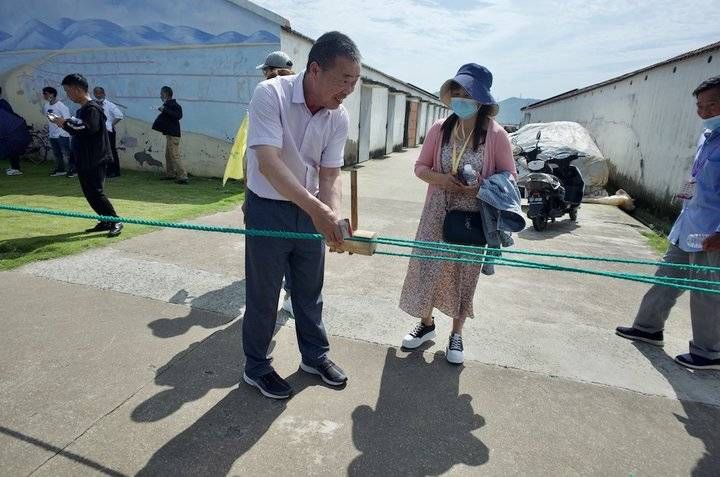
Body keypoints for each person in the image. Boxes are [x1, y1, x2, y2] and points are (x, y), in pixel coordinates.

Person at [242, 31, 361, 400]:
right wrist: (319, 211)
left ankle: (315, 356)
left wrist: (333, 220)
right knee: (264, 294)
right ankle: (257, 366)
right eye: (343, 80)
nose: (348, 91)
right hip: (268, 209)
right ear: (314, 70)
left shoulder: (337, 117)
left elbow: (329, 174)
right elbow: (269, 163)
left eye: (355, 83)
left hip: (309, 210)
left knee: (309, 291)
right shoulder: (270, 94)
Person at [398, 64, 516, 364]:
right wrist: (442, 179)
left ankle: (457, 334)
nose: (461, 99)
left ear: (482, 101)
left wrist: (483, 185)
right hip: (438, 210)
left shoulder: (496, 135)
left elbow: (510, 177)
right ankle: (425, 325)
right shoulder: (440, 129)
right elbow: (420, 168)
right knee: (427, 267)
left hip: (474, 216)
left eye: (469, 94)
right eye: (457, 92)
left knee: (463, 274)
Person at [616, 76, 720, 370]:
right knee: (665, 278)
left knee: (707, 292)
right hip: (689, 223)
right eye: (700, 106)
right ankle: (648, 328)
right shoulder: (707, 136)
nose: (704, 111)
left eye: (712, 105)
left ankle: (709, 352)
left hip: (712, 231)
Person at [51, 73, 123, 237]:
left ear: (77, 89)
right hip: (85, 158)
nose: (68, 95)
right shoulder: (83, 109)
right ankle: (105, 221)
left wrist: (64, 123)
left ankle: (116, 220)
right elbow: (80, 127)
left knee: (96, 192)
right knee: (90, 193)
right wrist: (65, 122)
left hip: (95, 158)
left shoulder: (92, 108)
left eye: (68, 91)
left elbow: (87, 129)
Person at [152, 86, 187, 184]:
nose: (160, 96)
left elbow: (178, 116)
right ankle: (170, 173)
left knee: (174, 155)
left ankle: (183, 176)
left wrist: (164, 110)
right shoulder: (168, 105)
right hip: (170, 134)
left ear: (165, 94)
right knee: (168, 155)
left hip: (173, 135)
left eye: (161, 94)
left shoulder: (174, 105)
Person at [42, 86, 76, 177]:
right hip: (52, 133)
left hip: (62, 133)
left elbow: (66, 120)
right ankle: (61, 169)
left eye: (46, 94)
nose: (44, 96)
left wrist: (58, 121)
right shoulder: (46, 105)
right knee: (57, 153)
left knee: (67, 152)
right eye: (44, 94)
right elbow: (49, 117)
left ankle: (74, 169)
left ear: (52, 94)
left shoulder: (62, 106)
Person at [93, 87, 124, 177]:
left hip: (108, 131)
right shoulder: (93, 104)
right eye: (96, 93)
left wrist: (111, 125)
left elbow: (119, 115)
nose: (98, 95)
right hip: (97, 131)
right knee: (100, 151)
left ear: (104, 94)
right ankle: (104, 170)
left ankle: (114, 171)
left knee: (111, 151)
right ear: (94, 94)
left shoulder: (109, 105)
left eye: (100, 93)